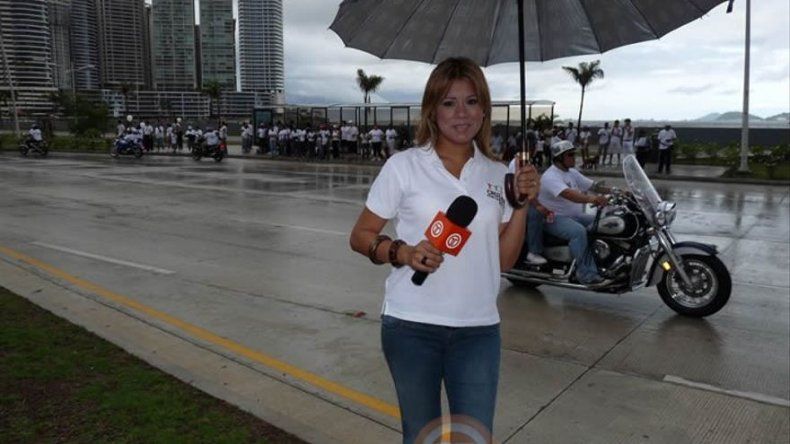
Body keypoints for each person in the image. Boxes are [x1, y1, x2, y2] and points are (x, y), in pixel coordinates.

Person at [349, 57, 539, 443]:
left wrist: (522, 205)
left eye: (471, 102)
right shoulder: (404, 167)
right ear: (432, 111)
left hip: (478, 330)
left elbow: (502, 262)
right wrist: (402, 252)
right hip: (410, 326)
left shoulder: (500, 173)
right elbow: (361, 235)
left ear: (484, 109)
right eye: (449, 103)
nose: (461, 113)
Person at [530, 140, 612, 285]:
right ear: (559, 158)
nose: (574, 157)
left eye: (574, 154)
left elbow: (593, 186)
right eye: (570, 155)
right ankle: (586, 274)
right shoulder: (551, 176)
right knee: (578, 232)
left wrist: (618, 191)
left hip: (574, 216)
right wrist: (593, 199)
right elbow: (569, 194)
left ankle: (604, 263)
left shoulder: (572, 172)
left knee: (605, 224)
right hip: (553, 218)